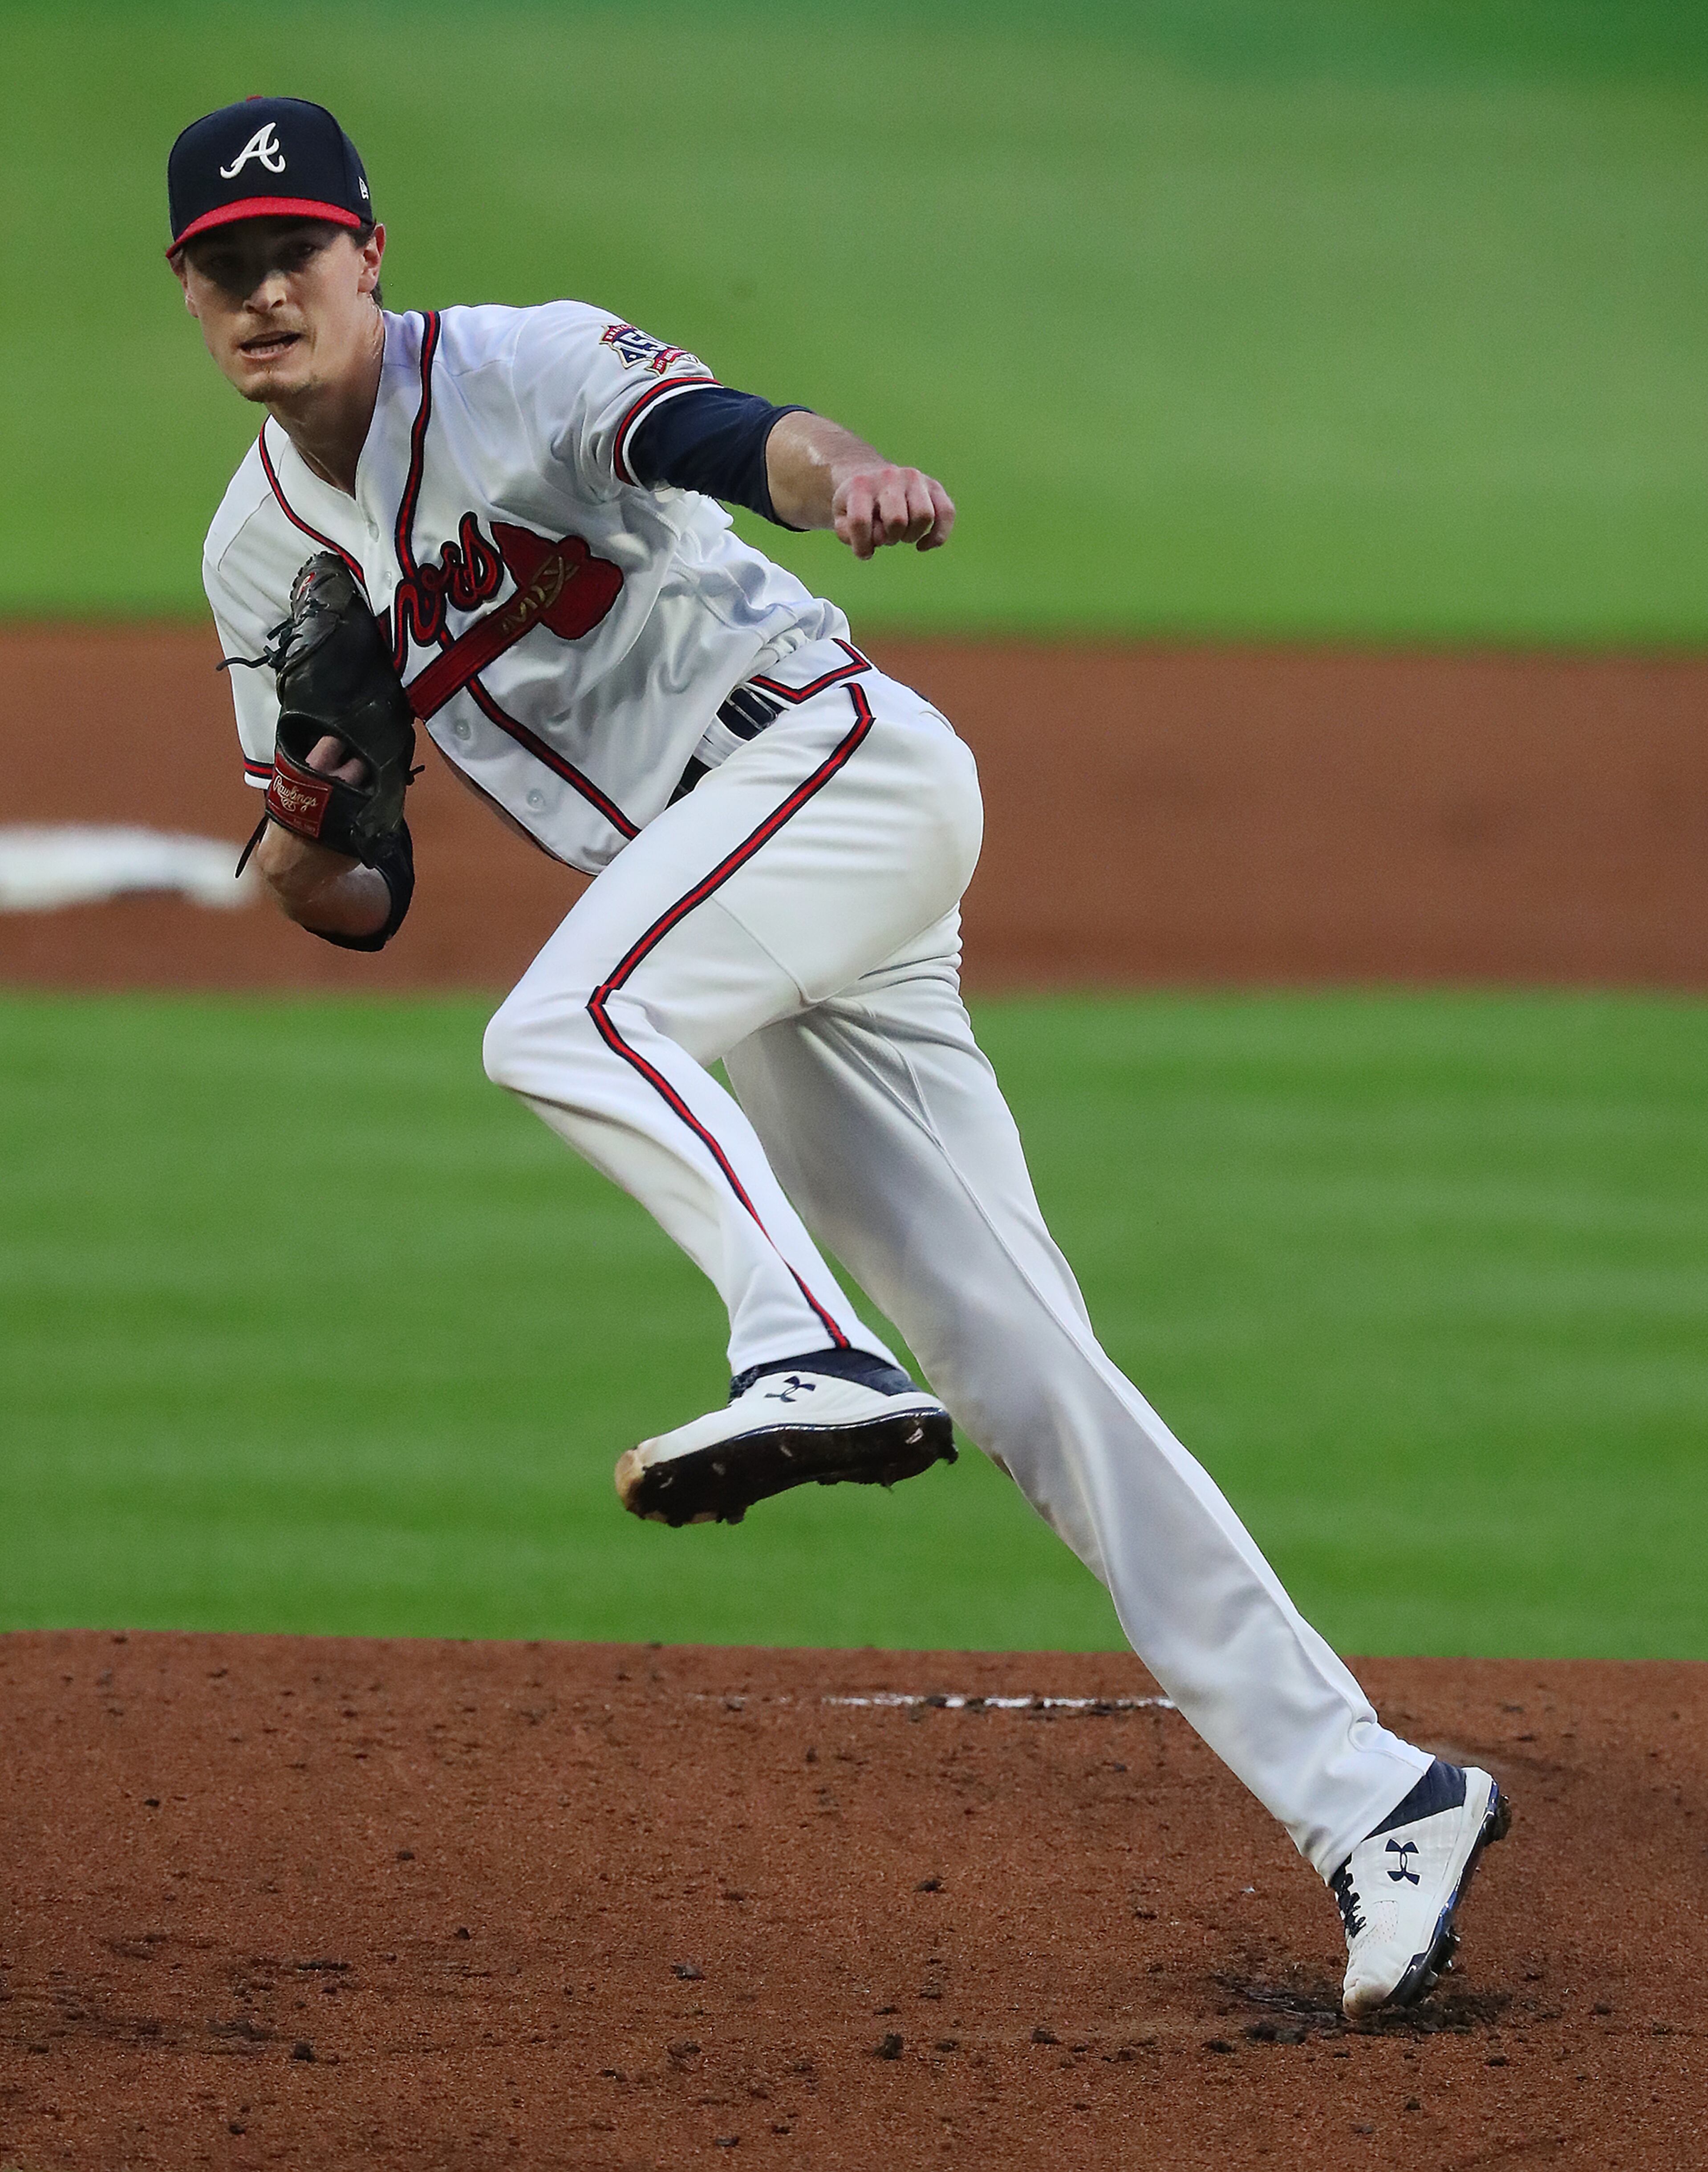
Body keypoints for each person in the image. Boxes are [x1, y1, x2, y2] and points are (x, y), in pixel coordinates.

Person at [170, 95, 1507, 2018]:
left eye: (292, 251)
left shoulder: (520, 363)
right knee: (1030, 1367)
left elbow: (728, 436)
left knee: (565, 1020)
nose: (262, 293)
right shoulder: (248, 556)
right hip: (739, 919)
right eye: (224, 269)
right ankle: (1380, 1794)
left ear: (368, 251)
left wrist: (848, 470)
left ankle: (795, 1344)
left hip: (835, 772)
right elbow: (339, 894)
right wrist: (312, 790)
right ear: (193, 300)